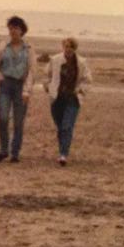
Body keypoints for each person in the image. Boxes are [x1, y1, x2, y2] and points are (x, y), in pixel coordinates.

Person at [0, 16, 36, 163]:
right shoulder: (3, 47)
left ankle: (15, 152)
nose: (13, 31)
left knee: (18, 121)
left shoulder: (28, 49)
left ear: (22, 30)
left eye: (16, 28)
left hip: (20, 86)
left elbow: (32, 71)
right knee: (2, 118)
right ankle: (4, 149)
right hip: (6, 84)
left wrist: (27, 90)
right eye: (10, 28)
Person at [43, 37, 93, 166]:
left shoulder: (81, 62)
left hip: (72, 98)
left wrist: (80, 90)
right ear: (63, 47)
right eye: (66, 46)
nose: (68, 49)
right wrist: (48, 86)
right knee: (60, 126)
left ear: (74, 49)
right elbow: (46, 75)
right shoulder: (55, 60)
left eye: (71, 47)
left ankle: (63, 154)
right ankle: (62, 150)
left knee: (67, 125)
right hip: (57, 98)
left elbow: (87, 79)